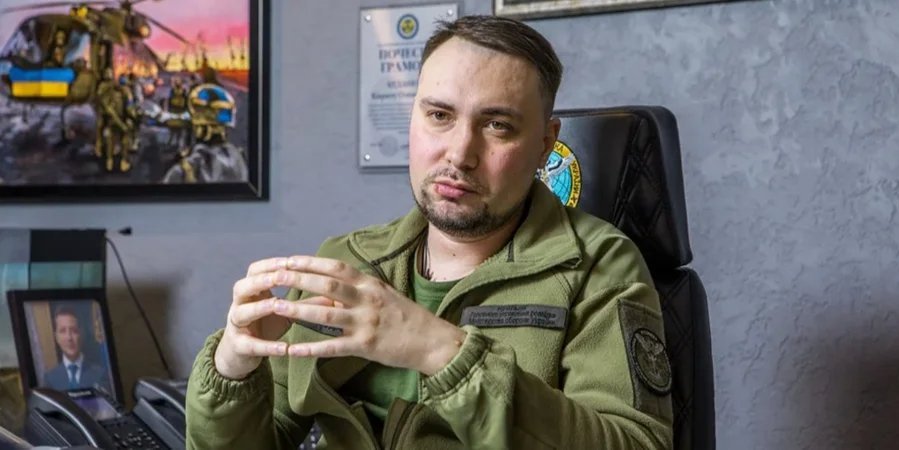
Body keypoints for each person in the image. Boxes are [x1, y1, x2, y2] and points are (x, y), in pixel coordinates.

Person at [186, 15, 673, 450]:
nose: (459, 154)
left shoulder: (598, 266)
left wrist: (439, 350)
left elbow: (636, 444)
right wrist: (233, 369)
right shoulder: (350, 261)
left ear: (546, 143)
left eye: (497, 125)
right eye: (440, 116)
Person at [42, 306, 109, 393]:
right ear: (56, 337)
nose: (69, 337)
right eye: (63, 331)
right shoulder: (50, 379)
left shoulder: (100, 374)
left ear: (81, 333)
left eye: (74, 330)